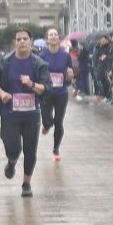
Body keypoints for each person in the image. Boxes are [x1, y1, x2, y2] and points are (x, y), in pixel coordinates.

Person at [0, 28, 50, 197]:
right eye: (18, 39)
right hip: (10, 113)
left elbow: (45, 88)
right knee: (12, 147)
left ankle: (26, 183)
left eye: (25, 39)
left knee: (30, 149)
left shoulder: (38, 63)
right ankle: (12, 161)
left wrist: (31, 84)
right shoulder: (5, 61)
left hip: (31, 114)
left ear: (31, 41)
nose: (21, 42)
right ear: (15, 42)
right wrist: (2, 94)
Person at [39, 28, 75, 161]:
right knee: (47, 119)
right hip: (46, 92)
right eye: (51, 35)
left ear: (58, 38)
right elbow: (38, 74)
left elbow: (70, 74)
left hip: (61, 92)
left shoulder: (65, 56)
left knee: (59, 122)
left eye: (56, 34)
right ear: (47, 39)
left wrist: (71, 76)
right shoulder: (42, 56)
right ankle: (47, 125)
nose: (53, 36)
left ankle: (56, 149)